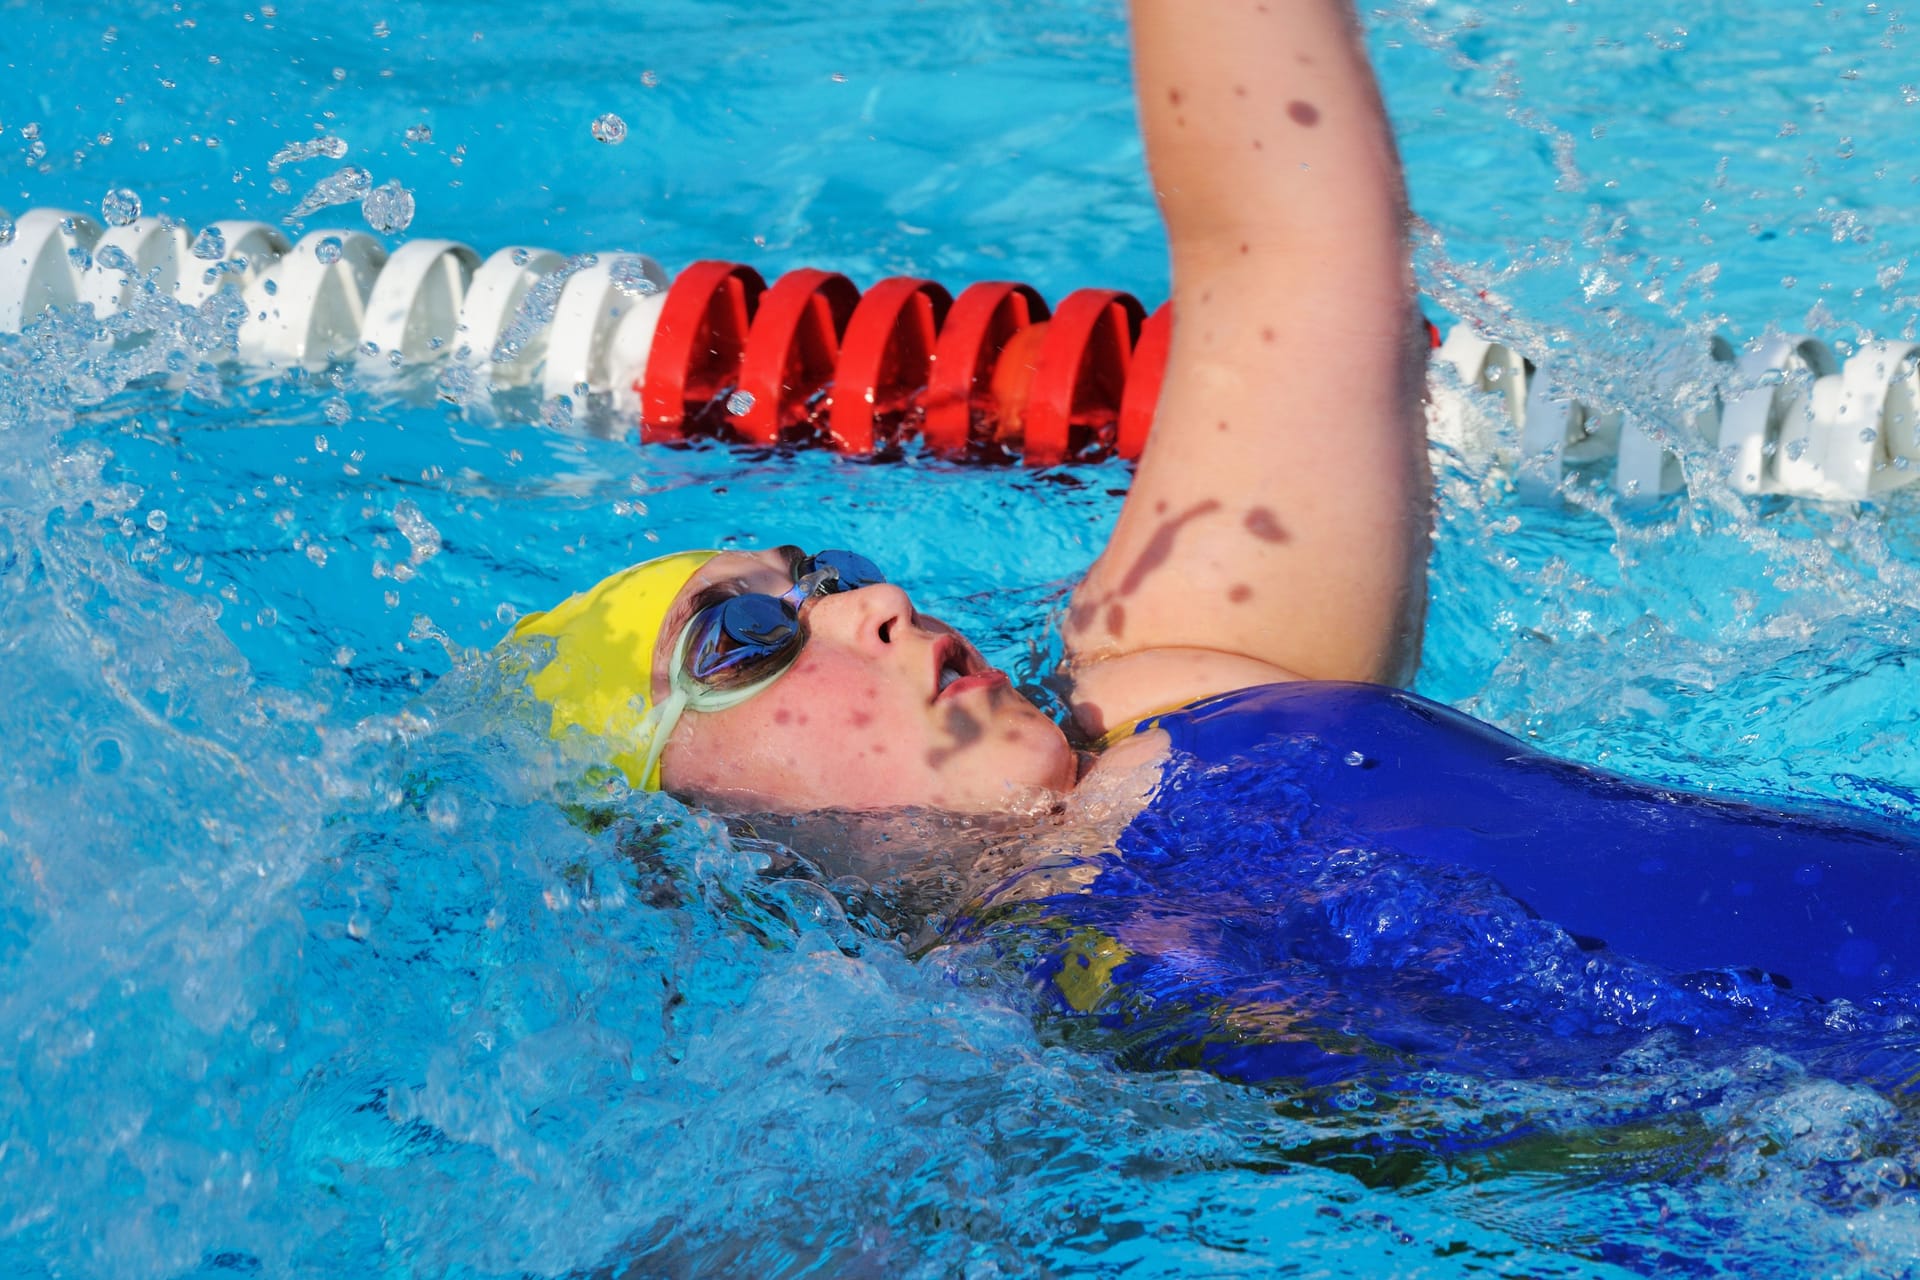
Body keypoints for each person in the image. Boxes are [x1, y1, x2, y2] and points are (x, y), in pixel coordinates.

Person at [507, 0, 1920, 1082]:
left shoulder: (1181, 682)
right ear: (681, 843)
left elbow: (1288, 257)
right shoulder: (977, 1062)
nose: (864, 610)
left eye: (828, 575)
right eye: (746, 639)